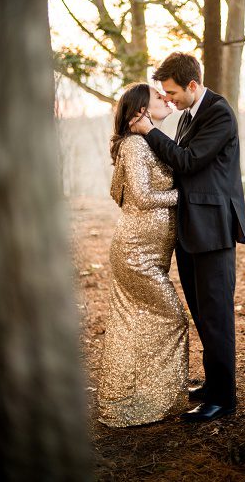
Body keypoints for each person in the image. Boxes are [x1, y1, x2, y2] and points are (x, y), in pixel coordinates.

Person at [130, 52, 245, 423]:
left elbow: (188, 161)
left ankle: (224, 399)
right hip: (190, 229)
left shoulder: (219, 112)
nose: (168, 99)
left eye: (172, 92)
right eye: (165, 94)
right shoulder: (187, 116)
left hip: (212, 230)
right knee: (201, 312)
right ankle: (214, 384)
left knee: (216, 317)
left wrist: (149, 131)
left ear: (192, 85)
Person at [97, 83, 189, 428]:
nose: (165, 98)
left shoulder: (142, 143)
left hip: (146, 251)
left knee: (133, 322)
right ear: (141, 111)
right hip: (137, 255)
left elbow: (116, 192)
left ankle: (127, 395)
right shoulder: (136, 144)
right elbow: (141, 197)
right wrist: (183, 195)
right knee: (172, 318)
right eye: (158, 96)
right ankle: (154, 396)